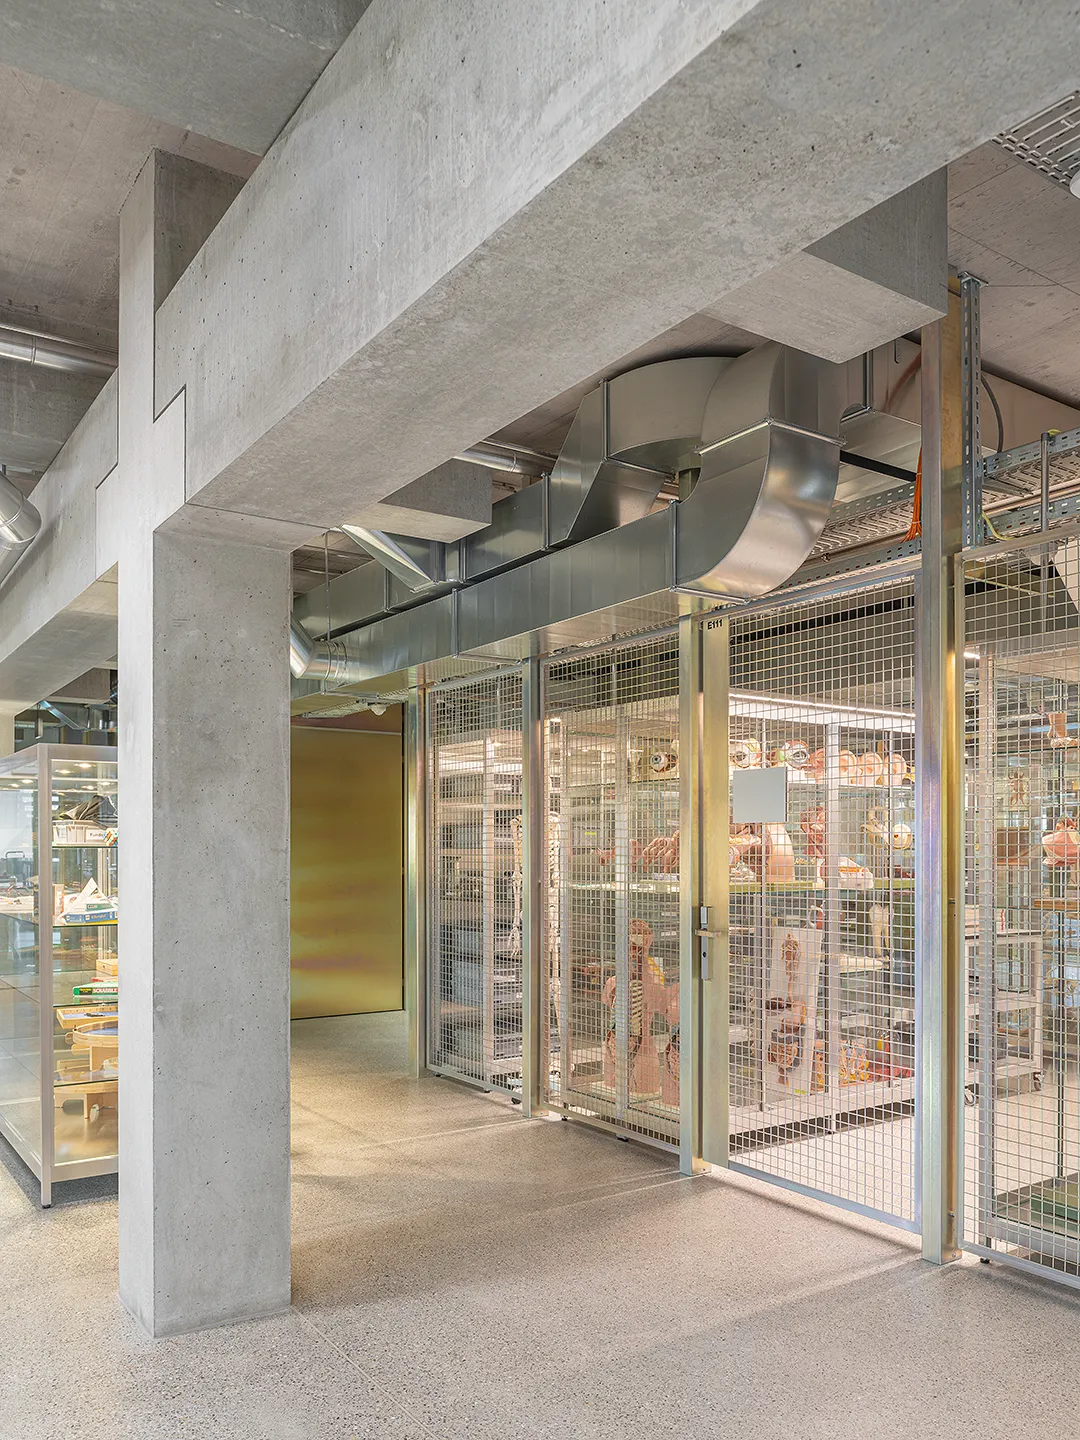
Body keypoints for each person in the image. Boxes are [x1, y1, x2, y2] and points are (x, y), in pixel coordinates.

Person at [602, 918, 677, 1100]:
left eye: (637, 940)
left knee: (644, 1085)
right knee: (611, 1085)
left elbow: (660, 1003)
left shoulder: (652, 980)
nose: (632, 948)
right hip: (615, 1041)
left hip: (643, 1046)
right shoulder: (614, 981)